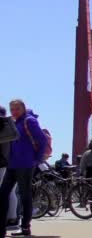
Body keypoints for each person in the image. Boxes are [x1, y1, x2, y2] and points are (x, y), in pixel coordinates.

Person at [0, 100, 48, 237]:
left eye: (17, 109)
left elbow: (42, 140)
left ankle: (26, 227)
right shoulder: (14, 122)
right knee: (2, 195)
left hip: (25, 165)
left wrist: (36, 160)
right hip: (12, 164)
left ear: (23, 108)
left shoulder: (29, 121)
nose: (14, 111)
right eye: (12, 109)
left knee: (25, 195)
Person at [0, 106, 18, 232]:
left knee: (6, 192)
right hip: (9, 162)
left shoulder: (3, 125)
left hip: (1, 162)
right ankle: (12, 219)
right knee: (10, 192)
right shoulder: (10, 125)